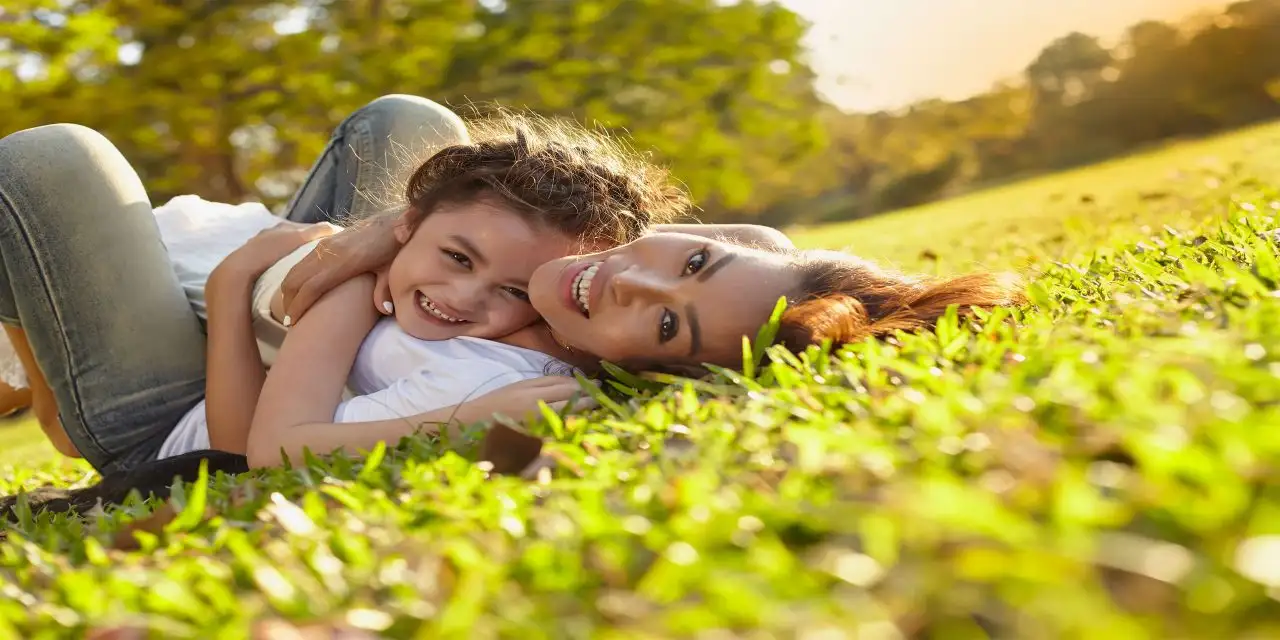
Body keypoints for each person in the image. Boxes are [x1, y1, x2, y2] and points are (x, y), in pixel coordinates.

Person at [0, 95, 788, 474]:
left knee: (52, 158)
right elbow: (759, 247)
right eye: (458, 259)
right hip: (267, 315)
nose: (475, 301)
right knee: (404, 120)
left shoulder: (495, 366)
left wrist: (253, 280)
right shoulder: (565, 288)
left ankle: (34, 367)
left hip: (173, 407)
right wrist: (394, 233)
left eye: (513, 291)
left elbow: (249, 450)